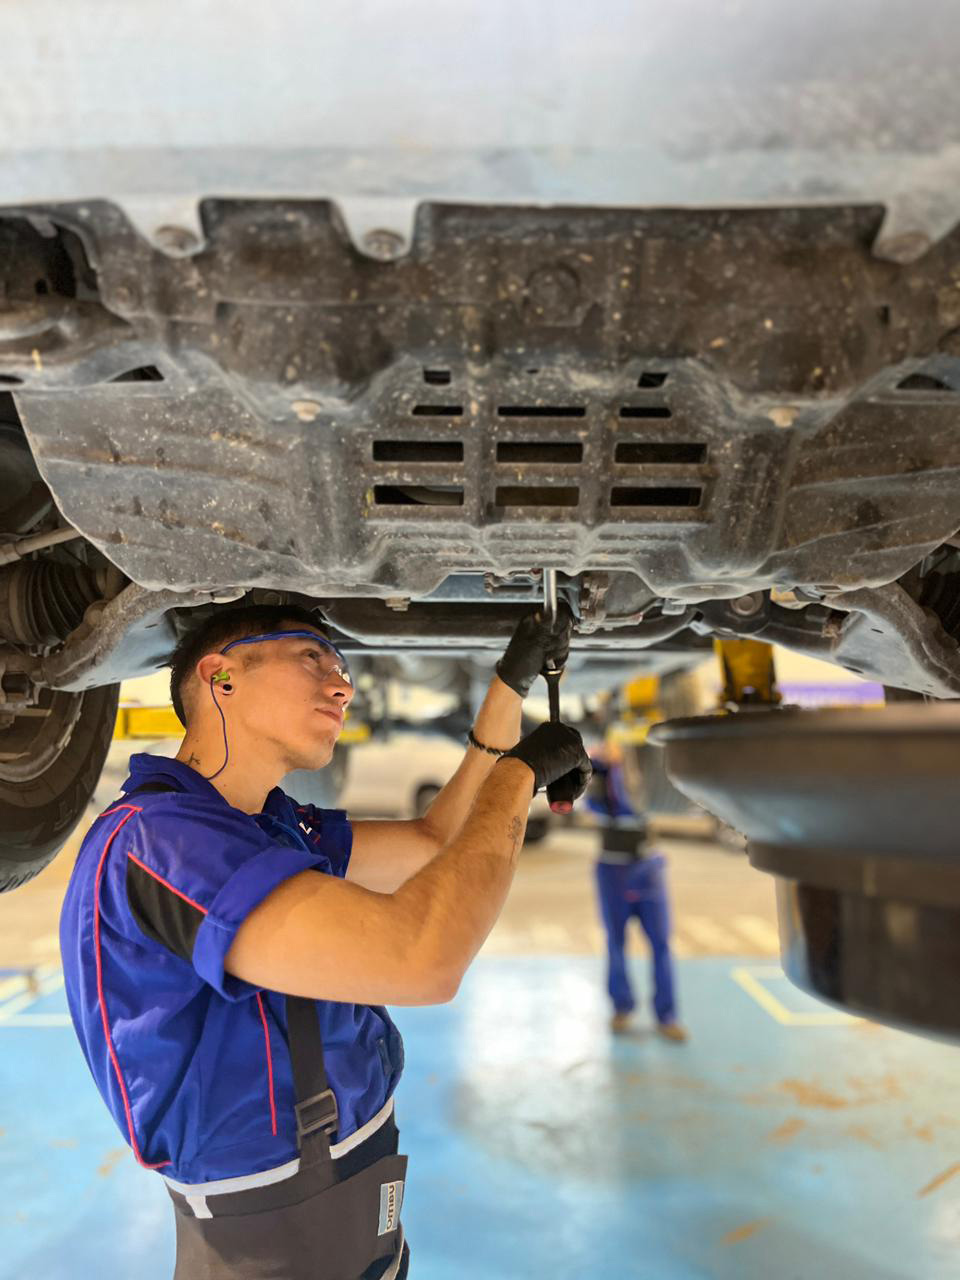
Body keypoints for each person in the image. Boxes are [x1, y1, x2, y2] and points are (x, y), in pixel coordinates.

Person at [59, 601, 591, 1280]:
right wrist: (517, 777)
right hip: (271, 1247)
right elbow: (422, 958)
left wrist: (508, 686)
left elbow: (435, 841)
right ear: (221, 677)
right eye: (312, 658)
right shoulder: (158, 841)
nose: (342, 686)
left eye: (339, 666)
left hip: (355, 1214)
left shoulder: (268, 826)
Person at [586, 743, 687, 1041]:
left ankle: (667, 1015)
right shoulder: (599, 770)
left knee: (661, 943)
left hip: (648, 868)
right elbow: (593, 802)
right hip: (612, 870)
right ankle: (622, 1007)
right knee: (615, 943)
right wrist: (603, 763)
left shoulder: (649, 756)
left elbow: (646, 800)